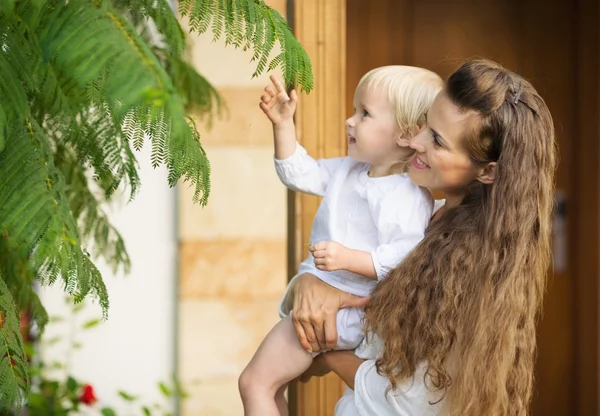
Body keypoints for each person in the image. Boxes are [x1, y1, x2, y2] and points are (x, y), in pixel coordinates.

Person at [286, 59, 557, 416]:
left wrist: (331, 353)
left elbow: (414, 401)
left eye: (437, 141)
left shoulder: (472, 263)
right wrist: (308, 282)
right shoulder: (416, 214)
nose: (414, 141)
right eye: (425, 125)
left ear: (488, 171)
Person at [238, 67, 443, 416]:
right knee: (268, 386)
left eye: (365, 114)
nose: (350, 121)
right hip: (327, 299)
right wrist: (283, 125)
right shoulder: (349, 170)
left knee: (254, 383)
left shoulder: (407, 194)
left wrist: (348, 258)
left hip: (347, 310)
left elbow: (404, 256)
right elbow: (299, 172)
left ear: (406, 133)